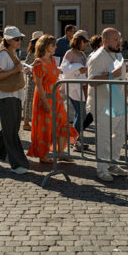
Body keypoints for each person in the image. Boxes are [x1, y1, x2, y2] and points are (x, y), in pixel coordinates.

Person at [86, 28, 128, 181]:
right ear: (104, 41)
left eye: (119, 38)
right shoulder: (97, 56)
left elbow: (123, 77)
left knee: (121, 132)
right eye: (115, 39)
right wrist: (111, 75)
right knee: (104, 136)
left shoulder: (118, 54)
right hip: (102, 103)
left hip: (118, 101)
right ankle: (102, 169)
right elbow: (91, 80)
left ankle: (113, 162)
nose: (119, 42)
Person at [0, 26, 30, 174]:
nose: (19, 41)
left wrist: (22, 69)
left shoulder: (13, 53)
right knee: (11, 130)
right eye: (17, 39)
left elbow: (14, 70)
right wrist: (15, 70)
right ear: (9, 40)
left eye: (20, 39)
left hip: (14, 95)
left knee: (11, 128)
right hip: (5, 96)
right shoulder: (3, 54)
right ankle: (17, 163)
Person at [28, 34, 78, 163]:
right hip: (44, 95)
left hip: (55, 95)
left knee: (62, 122)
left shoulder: (52, 60)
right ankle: (43, 155)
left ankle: (60, 152)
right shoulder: (39, 63)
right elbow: (38, 84)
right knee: (46, 125)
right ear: (45, 46)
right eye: (53, 45)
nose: (55, 47)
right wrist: (44, 101)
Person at [61, 30, 90, 139]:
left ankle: (75, 137)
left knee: (81, 113)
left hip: (80, 87)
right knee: (81, 113)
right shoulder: (70, 53)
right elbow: (65, 69)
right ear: (80, 41)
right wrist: (78, 69)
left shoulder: (82, 54)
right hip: (73, 88)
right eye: (85, 41)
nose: (86, 44)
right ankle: (74, 138)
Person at [21, 31, 42, 131]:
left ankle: (35, 121)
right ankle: (26, 123)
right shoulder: (31, 54)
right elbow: (26, 68)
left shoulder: (41, 53)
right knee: (29, 101)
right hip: (32, 81)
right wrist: (31, 74)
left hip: (39, 81)